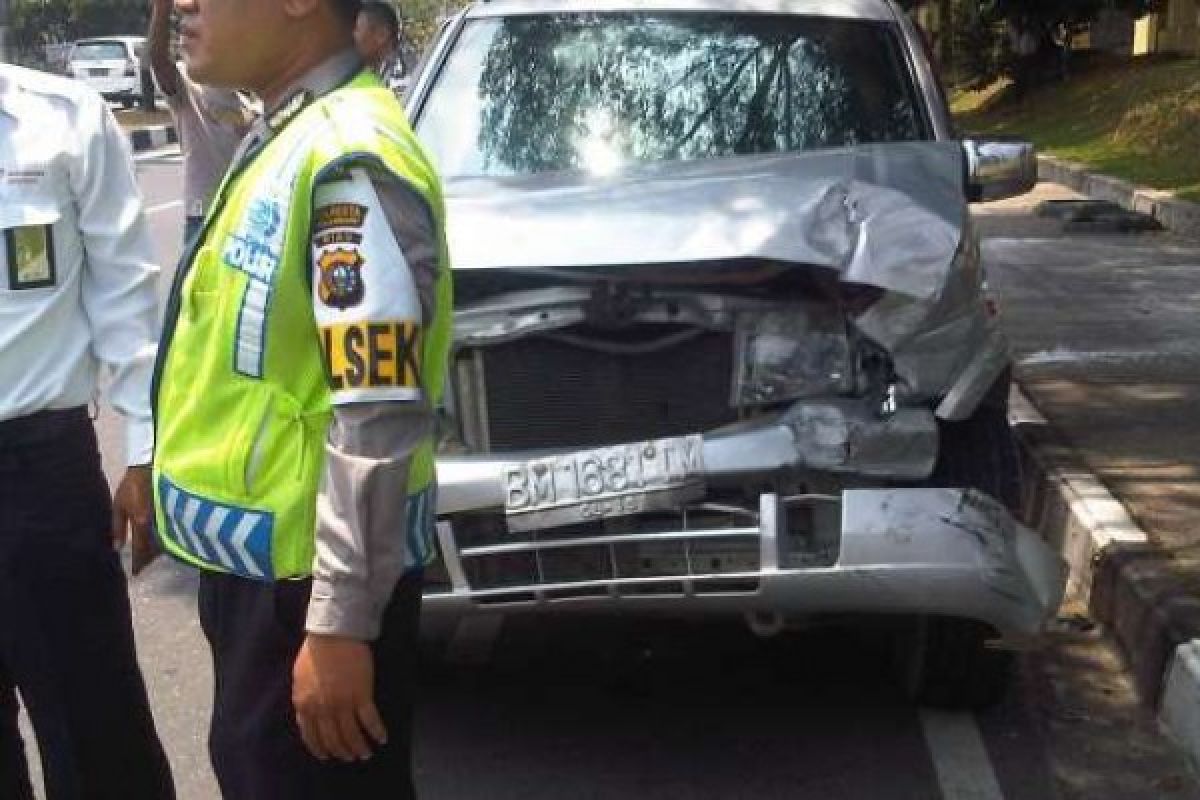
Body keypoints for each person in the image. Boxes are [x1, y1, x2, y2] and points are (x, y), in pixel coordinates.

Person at [150, 0, 452, 793]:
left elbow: (377, 407)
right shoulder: (293, 130)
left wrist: (341, 621)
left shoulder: (348, 155)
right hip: (269, 585)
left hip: (308, 595)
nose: (180, 3)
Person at [0, 63, 176, 800]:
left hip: (41, 471)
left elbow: (125, 290)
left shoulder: (65, 119)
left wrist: (142, 453)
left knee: (94, 724)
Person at [146, 0, 254, 246]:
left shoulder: (253, 98)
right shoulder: (188, 86)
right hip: (203, 217)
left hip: (245, 214)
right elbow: (158, 59)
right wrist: (161, 10)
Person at [354, 1, 409, 96]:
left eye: (357, 29)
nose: (353, 35)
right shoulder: (371, 73)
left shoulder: (400, 75)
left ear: (381, 35)